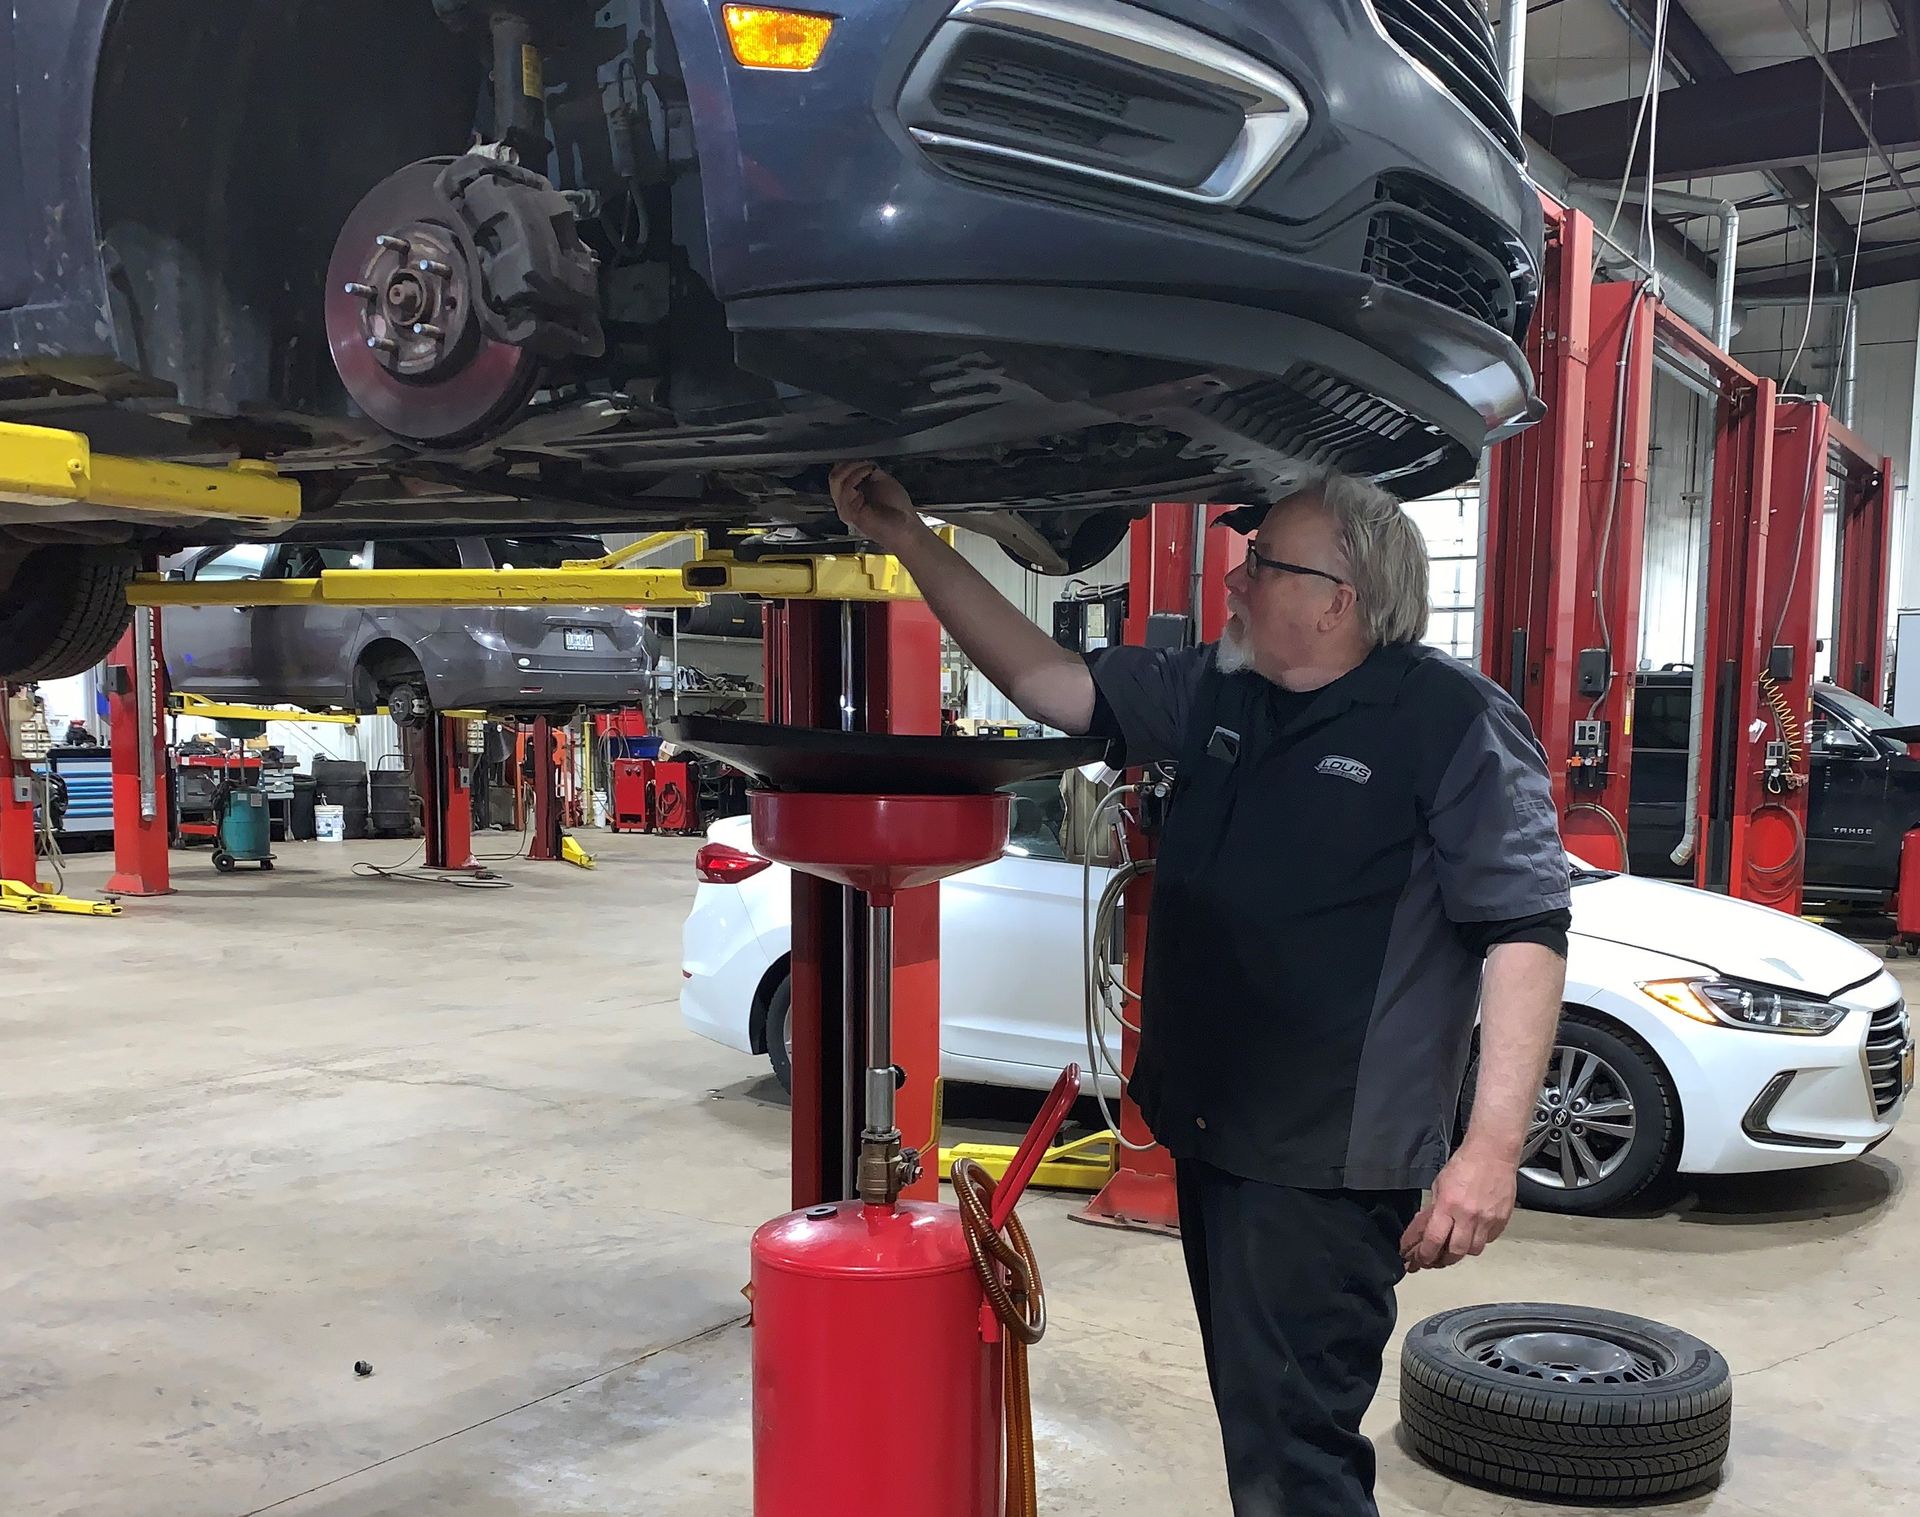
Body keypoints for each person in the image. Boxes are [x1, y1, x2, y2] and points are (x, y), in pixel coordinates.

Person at [827, 461, 1568, 1517]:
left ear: (1336, 601)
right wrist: (909, 538)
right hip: (1217, 1134)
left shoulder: (1448, 720)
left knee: (1296, 1461)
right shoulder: (1221, 689)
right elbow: (1053, 683)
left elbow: (1524, 929)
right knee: (1261, 1436)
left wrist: (1491, 1151)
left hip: (1324, 1165)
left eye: (1264, 564)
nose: (1235, 578)